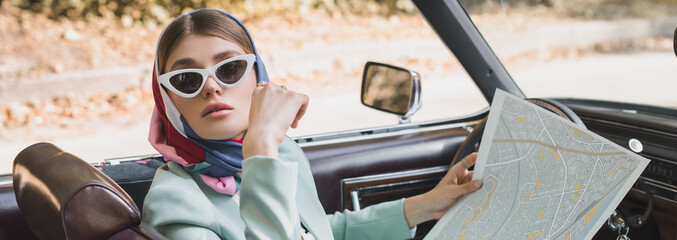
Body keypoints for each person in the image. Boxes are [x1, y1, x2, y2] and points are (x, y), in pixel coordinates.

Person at [142, 8, 482, 240]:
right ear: (169, 100)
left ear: (258, 77)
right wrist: (260, 146)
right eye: (187, 79)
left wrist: (428, 204)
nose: (212, 87)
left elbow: (314, 232)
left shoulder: (284, 151)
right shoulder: (173, 203)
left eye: (230, 69)